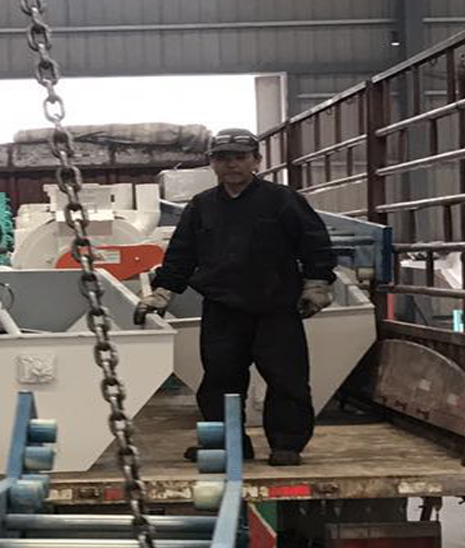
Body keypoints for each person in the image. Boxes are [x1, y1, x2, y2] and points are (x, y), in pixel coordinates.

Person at [136, 127, 336, 467]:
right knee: (219, 382)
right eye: (223, 158)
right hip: (222, 310)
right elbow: (182, 254)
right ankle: (228, 445)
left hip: (276, 309)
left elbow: (314, 243)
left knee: (287, 380)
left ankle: (287, 445)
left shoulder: (282, 200)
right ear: (212, 163)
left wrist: (317, 284)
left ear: (256, 161)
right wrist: (162, 293)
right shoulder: (202, 206)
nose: (232, 165)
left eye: (240, 157)